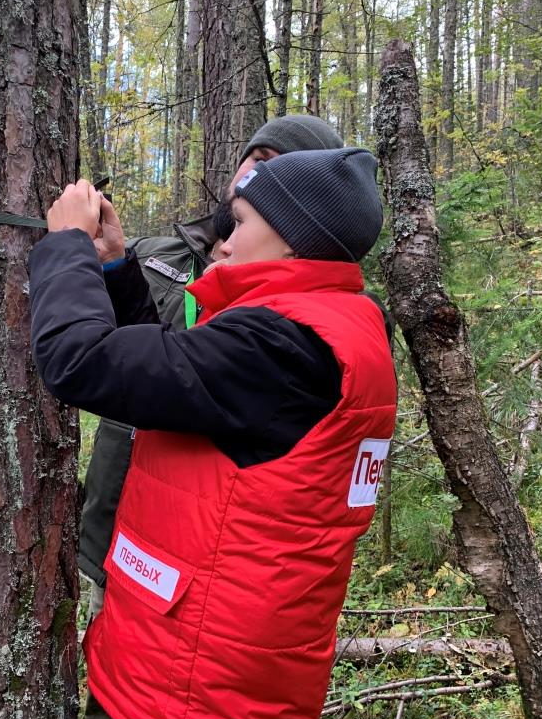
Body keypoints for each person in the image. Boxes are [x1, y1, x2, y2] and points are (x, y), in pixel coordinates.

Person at [29, 147, 397, 719]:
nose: (222, 242)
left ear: (296, 239)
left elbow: (79, 362)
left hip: (194, 693)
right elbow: (179, 390)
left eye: (242, 223)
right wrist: (115, 269)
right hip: (195, 669)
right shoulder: (331, 328)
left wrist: (66, 246)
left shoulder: (287, 345)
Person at [80, 115, 346, 627]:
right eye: (256, 159)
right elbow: (147, 353)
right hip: (118, 528)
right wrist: (115, 264)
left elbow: (132, 369)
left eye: (277, 169)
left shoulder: (290, 310)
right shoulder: (159, 254)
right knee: (108, 678)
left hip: (202, 560)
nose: (256, 175)